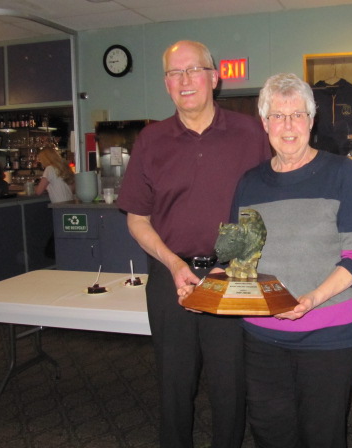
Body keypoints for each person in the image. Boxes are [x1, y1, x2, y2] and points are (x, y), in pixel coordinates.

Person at [116, 40, 271, 448]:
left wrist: (232, 264)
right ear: (166, 84)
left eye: (193, 70)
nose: (184, 80)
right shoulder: (151, 140)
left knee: (231, 387)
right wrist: (172, 263)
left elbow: (264, 207)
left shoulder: (251, 133)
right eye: (174, 73)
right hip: (173, 278)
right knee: (173, 386)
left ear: (214, 78)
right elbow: (137, 217)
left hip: (234, 275)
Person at [226, 73, 352, 448]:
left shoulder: (342, 174)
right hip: (261, 336)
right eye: (278, 115)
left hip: (329, 337)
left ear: (312, 120)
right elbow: (237, 258)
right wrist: (207, 286)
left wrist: (311, 299)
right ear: (265, 124)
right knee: (270, 431)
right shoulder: (248, 182)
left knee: (321, 434)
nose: (288, 125)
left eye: (297, 115)